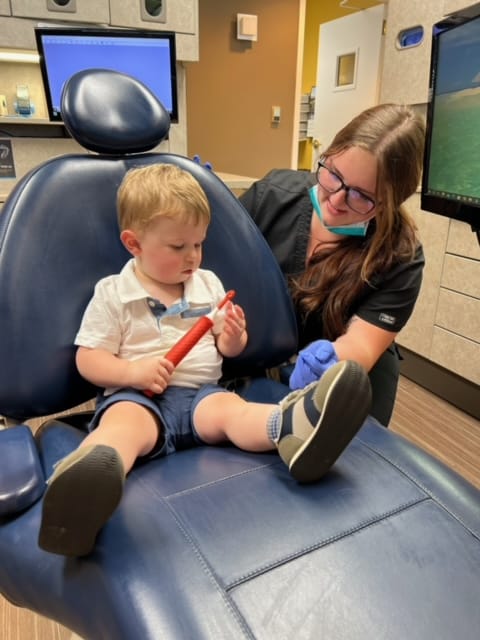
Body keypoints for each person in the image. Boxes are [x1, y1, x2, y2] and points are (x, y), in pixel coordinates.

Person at [38, 163, 372, 557]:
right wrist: (131, 371)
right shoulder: (114, 293)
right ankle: (87, 484)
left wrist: (233, 336)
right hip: (137, 397)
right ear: (134, 244)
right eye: (178, 247)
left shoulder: (207, 284)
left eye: (198, 244)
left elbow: (229, 351)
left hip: (201, 395)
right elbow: (88, 359)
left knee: (232, 412)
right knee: (124, 429)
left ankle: (292, 429)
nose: (192, 257)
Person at [239, 103, 426, 427]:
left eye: (362, 196)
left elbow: (361, 345)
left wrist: (332, 362)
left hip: (351, 375)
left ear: (392, 202)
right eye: (334, 175)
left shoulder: (399, 255)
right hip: (260, 355)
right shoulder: (272, 196)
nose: (337, 200)